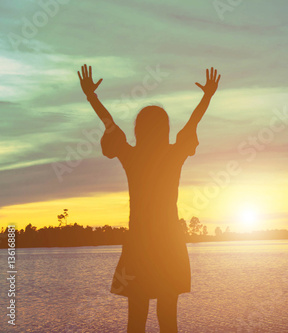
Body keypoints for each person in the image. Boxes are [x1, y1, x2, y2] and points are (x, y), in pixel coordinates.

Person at [77, 64, 221, 332]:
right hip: (169, 244)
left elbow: (109, 124)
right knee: (168, 319)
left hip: (140, 245)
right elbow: (193, 121)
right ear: (164, 129)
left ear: (139, 130)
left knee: (136, 320)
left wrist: (91, 96)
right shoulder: (172, 155)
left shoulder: (133, 157)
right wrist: (207, 96)